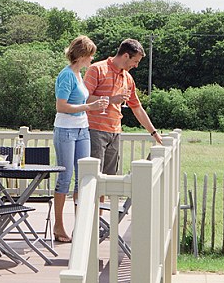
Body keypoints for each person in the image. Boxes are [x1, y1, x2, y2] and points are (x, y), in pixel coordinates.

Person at [51, 36, 108, 243]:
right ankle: (58, 226)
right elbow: (61, 106)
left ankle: (80, 228)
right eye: (90, 55)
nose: (92, 58)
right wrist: (88, 107)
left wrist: (94, 106)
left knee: (82, 178)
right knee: (65, 178)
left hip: (82, 129)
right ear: (82, 55)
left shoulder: (78, 74)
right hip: (65, 130)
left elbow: (82, 102)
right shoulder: (66, 75)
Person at [84, 38, 162, 176]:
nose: (136, 66)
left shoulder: (128, 78)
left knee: (109, 178)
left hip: (115, 132)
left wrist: (154, 133)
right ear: (126, 55)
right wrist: (111, 99)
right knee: (92, 176)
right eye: (135, 61)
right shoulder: (96, 69)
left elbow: (137, 108)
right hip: (94, 131)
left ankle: (102, 199)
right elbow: (84, 98)